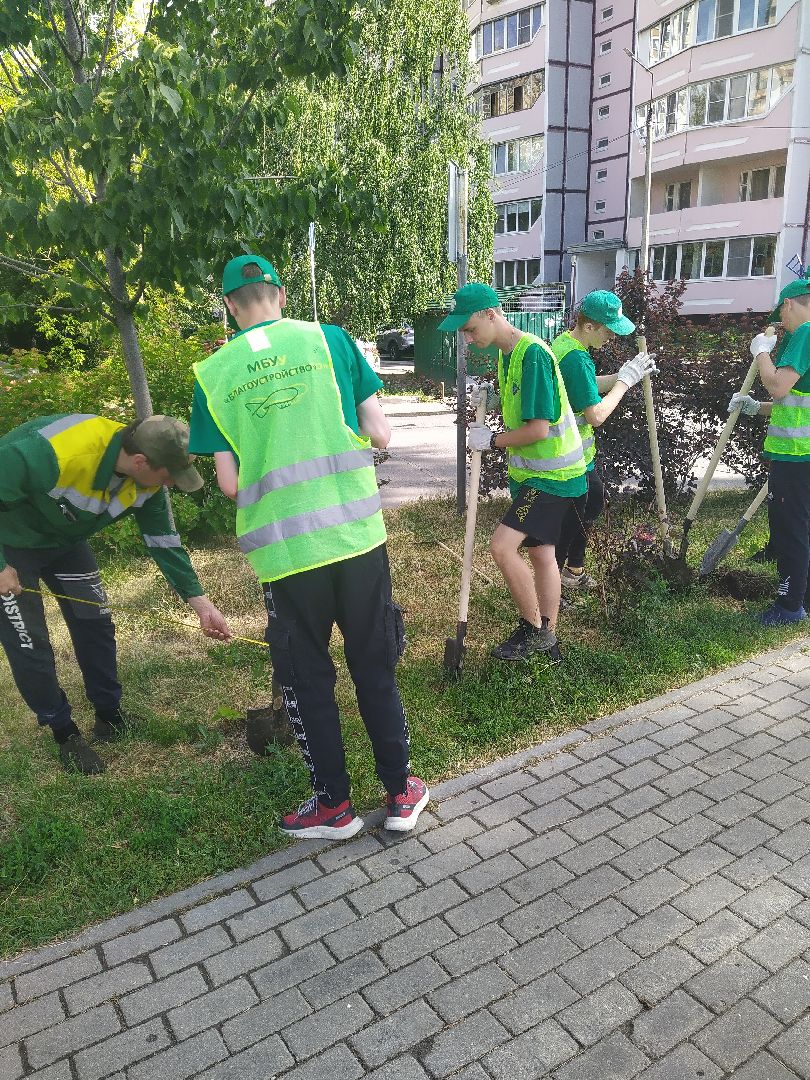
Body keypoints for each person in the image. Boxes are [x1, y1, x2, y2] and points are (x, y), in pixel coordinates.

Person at [189, 254, 427, 840]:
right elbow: (380, 433)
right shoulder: (331, 341)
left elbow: (229, 484)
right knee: (373, 664)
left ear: (229, 306)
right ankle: (401, 793)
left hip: (285, 555)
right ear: (281, 295)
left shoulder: (213, 375)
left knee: (307, 678)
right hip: (355, 537)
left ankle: (334, 807)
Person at [0, 413, 231, 774]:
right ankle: (64, 732)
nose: (170, 484)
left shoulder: (147, 482)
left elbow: (163, 542)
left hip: (66, 543)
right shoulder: (54, 452)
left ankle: (109, 715)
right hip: (11, 542)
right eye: (168, 475)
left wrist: (201, 604)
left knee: (95, 623)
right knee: (28, 640)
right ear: (140, 462)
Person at [441, 283, 590, 661]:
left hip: (554, 478)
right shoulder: (508, 354)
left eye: (470, 328)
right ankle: (549, 639)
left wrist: (491, 441)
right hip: (538, 476)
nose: (468, 338)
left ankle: (533, 630)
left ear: (490, 314)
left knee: (502, 546)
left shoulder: (532, 355)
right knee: (541, 554)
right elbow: (524, 404)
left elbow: (538, 429)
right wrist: (491, 398)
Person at [551, 291, 658, 592]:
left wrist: (625, 374)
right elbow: (596, 415)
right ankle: (553, 584)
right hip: (568, 456)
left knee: (593, 501)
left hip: (575, 455)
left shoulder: (566, 344)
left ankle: (573, 570)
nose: (612, 337)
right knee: (572, 520)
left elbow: (584, 385)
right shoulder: (576, 357)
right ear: (589, 326)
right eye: (608, 330)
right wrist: (624, 383)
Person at [728, 273, 810, 626]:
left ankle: (789, 606)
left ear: (789, 304)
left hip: (796, 456)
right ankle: (803, 596)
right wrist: (754, 407)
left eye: (782, 314)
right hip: (803, 455)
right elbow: (794, 400)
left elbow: (777, 385)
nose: (782, 323)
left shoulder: (806, 333)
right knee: (803, 527)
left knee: (790, 530)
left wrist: (761, 352)